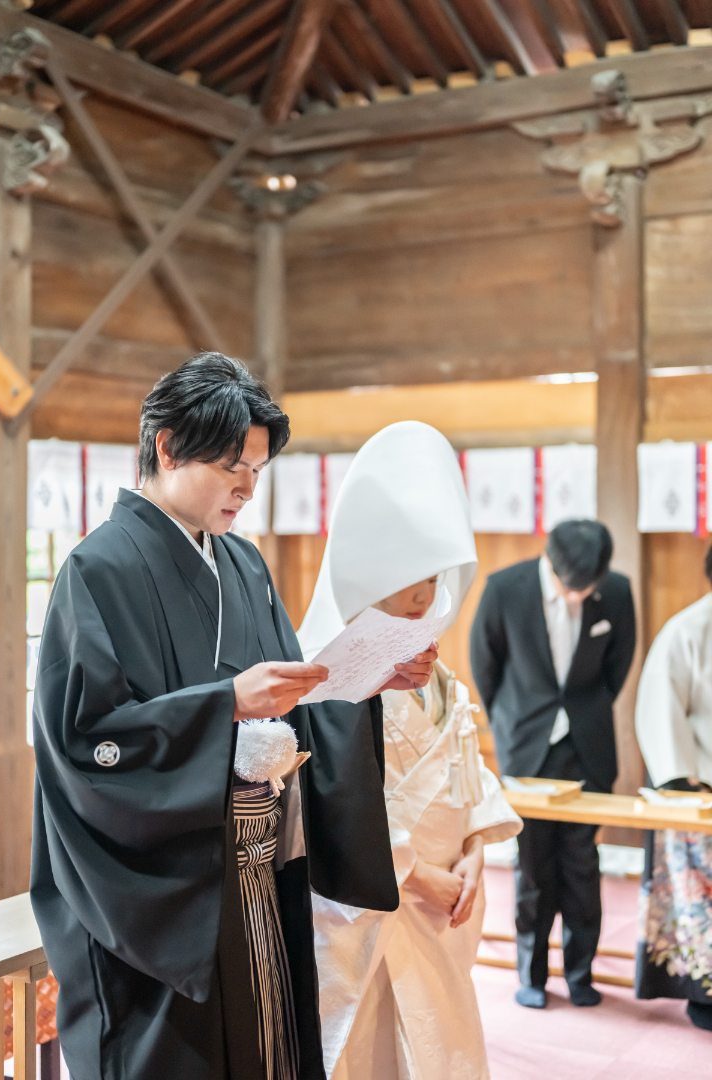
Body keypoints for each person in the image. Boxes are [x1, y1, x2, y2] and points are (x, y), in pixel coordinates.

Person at [31, 354, 438, 1080]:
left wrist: (366, 679)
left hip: (257, 875)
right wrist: (223, 705)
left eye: (256, 469)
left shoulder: (245, 564)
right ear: (166, 446)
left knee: (269, 1046)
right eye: (230, 467)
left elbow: (290, 703)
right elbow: (82, 741)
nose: (247, 488)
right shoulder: (97, 570)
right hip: (165, 896)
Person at [298, 421, 522, 1080]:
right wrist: (420, 876)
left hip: (447, 894)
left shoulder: (439, 679)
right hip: (383, 903)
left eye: (433, 588)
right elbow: (341, 804)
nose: (428, 604)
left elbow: (468, 770)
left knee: (441, 1039)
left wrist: (478, 852)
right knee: (375, 1047)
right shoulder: (331, 678)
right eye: (412, 592)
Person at [470, 520, 636, 1009]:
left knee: (584, 865)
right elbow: (485, 665)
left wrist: (586, 712)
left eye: (588, 589)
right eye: (571, 587)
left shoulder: (618, 592)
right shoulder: (505, 589)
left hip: (588, 746)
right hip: (527, 746)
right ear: (550, 564)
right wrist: (511, 724)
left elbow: (618, 665)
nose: (578, 596)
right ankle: (532, 975)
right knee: (534, 866)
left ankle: (582, 975)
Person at [635, 544, 712, 1032]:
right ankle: (704, 997)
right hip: (699, 788)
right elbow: (661, 711)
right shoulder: (688, 630)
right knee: (696, 903)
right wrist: (685, 785)